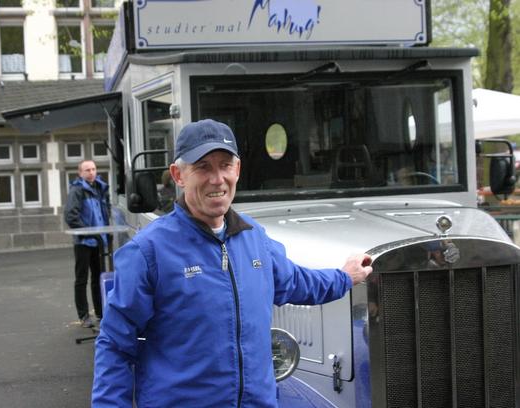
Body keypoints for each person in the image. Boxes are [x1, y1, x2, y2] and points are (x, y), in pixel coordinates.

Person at [92, 119, 373, 407]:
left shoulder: (254, 237)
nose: (217, 179)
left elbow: (296, 282)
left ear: (237, 170)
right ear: (178, 175)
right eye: (203, 167)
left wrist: (345, 276)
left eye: (225, 165)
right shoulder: (148, 251)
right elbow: (115, 344)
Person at [64, 160, 110, 328]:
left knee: (99, 278)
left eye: (93, 169)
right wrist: (88, 232)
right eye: (87, 170)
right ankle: (83, 316)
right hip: (83, 242)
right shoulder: (77, 190)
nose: (91, 173)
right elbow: (70, 216)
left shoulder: (100, 188)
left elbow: (105, 212)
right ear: (80, 173)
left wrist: (106, 234)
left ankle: (100, 312)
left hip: (99, 241)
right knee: (81, 279)